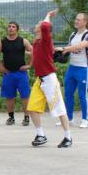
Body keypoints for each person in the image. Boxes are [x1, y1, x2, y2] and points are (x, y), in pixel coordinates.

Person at [27, 9, 72, 148]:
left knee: (59, 109)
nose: (38, 24)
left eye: (39, 24)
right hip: (40, 80)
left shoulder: (46, 40)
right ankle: (41, 135)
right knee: (32, 108)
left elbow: (46, 27)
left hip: (50, 79)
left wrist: (48, 15)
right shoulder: (37, 42)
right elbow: (38, 55)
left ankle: (68, 138)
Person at [59, 13, 88, 128]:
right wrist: (61, 52)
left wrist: (65, 48)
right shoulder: (73, 34)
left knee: (82, 94)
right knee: (68, 94)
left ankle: (85, 119)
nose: (76, 21)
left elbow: (80, 46)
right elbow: (70, 47)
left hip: (83, 68)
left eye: (79, 20)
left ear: (85, 22)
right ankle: (69, 119)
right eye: (76, 19)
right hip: (72, 68)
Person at [0, 22, 33, 125]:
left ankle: (26, 117)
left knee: (25, 96)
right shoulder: (2, 42)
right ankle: (11, 118)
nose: (11, 28)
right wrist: (1, 67)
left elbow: (33, 52)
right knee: (9, 97)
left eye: (13, 27)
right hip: (8, 74)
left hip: (21, 74)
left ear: (17, 30)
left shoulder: (23, 41)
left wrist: (29, 65)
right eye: (9, 26)